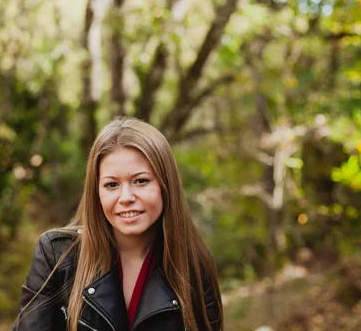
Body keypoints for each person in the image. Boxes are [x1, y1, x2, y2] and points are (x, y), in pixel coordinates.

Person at [12, 117, 223, 331]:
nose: (126, 197)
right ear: (97, 193)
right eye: (112, 185)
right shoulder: (57, 256)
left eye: (141, 181)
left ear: (165, 184)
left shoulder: (194, 265)